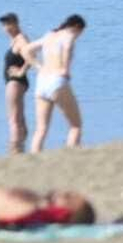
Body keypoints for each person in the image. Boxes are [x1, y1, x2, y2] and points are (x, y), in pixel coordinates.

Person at [25, 15, 85, 152]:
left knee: (41, 128)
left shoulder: (49, 35)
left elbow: (27, 50)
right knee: (76, 126)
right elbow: (68, 46)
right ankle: (72, 158)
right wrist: (66, 68)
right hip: (56, 81)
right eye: (80, 34)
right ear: (76, 27)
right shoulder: (68, 35)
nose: (78, 37)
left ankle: (33, 161)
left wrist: (38, 67)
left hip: (41, 82)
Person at [0, 185, 97, 230]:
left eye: (68, 197)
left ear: (65, 213)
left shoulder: (27, 209)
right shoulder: (32, 204)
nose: (63, 192)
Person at [0, 13, 33, 153]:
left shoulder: (21, 39)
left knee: (13, 119)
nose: (5, 28)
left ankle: (15, 150)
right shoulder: (14, 40)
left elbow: (31, 56)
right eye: (4, 25)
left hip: (15, 82)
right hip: (15, 83)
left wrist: (21, 71)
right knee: (19, 119)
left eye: (8, 24)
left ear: (16, 23)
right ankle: (21, 147)